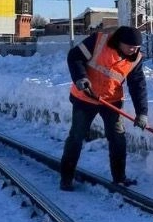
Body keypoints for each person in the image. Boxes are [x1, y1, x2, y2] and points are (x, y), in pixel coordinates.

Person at [59, 25, 148, 190]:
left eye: (136, 47)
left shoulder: (135, 58)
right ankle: (66, 177)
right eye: (130, 46)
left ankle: (119, 178)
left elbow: (138, 85)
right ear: (119, 42)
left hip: (112, 101)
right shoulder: (99, 42)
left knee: (117, 138)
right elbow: (75, 56)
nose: (133, 50)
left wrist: (142, 113)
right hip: (85, 97)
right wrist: (81, 78)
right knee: (76, 137)